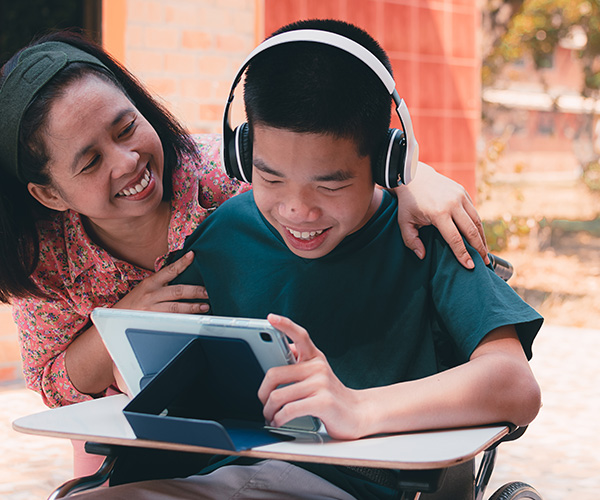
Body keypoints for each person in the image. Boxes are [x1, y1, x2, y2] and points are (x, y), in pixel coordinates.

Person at [77, 19, 543, 500]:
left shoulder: (427, 237)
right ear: (242, 155)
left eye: (330, 184)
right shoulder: (224, 233)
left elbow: (515, 385)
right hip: (209, 478)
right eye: (271, 179)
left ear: (388, 163)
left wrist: (357, 408)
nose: (297, 209)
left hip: (351, 485)